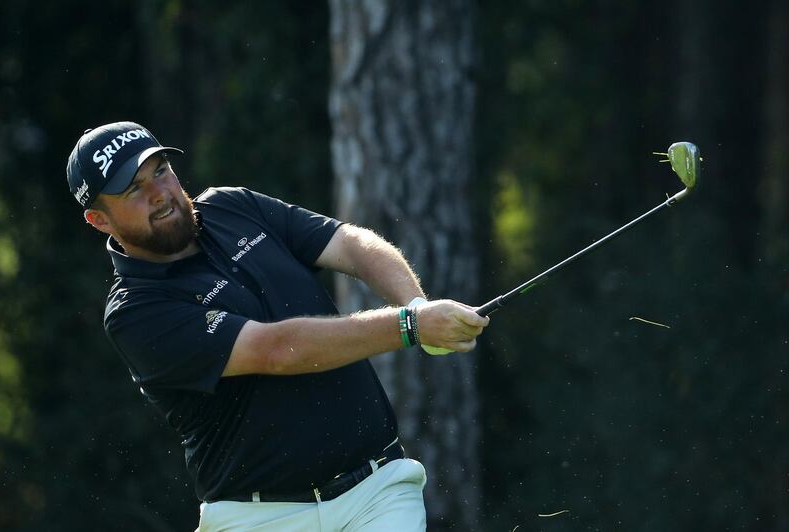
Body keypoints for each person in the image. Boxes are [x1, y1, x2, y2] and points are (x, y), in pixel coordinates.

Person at [67, 121, 489, 531]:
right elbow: (275, 350)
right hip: (257, 518)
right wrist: (411, 325)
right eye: (134, 189)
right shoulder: (135, 311)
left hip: (378, 492)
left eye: (161, 171)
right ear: (99, 220)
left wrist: (416, 303)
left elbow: (348, 243)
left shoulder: (232, 206)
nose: (161, 194)